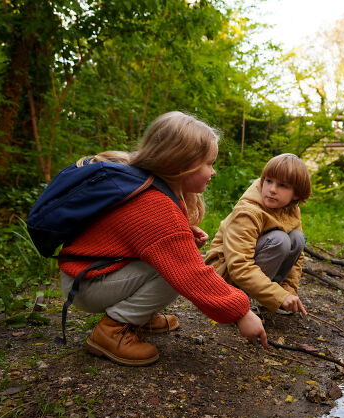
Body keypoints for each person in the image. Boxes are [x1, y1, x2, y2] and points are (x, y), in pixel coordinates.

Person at [58, 111, 267, 366]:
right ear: (182, 163)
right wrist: (241, 312)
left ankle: (138, 317)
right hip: (87, 284)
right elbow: (192, 275)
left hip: (87, 274)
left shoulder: (146, 185)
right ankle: (112, 330)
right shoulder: (156, 203)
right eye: (209, 163)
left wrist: (182, 234)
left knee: (175, 260)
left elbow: (130, 232)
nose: (212, 172)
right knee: (174, 272)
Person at [204, 153, 311, 316]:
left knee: (297, 238)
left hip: (253, 274)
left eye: (282, 185)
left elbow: (297, 260)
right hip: (224, 277)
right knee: (280, 240)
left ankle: (267, 296)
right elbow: (239, 265)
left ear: (296, 194)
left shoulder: (291, 209)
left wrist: (287, 292)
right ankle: (242, 301)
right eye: (268, 181)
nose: (272, 190)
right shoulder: (248, 211)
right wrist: (279, 296)